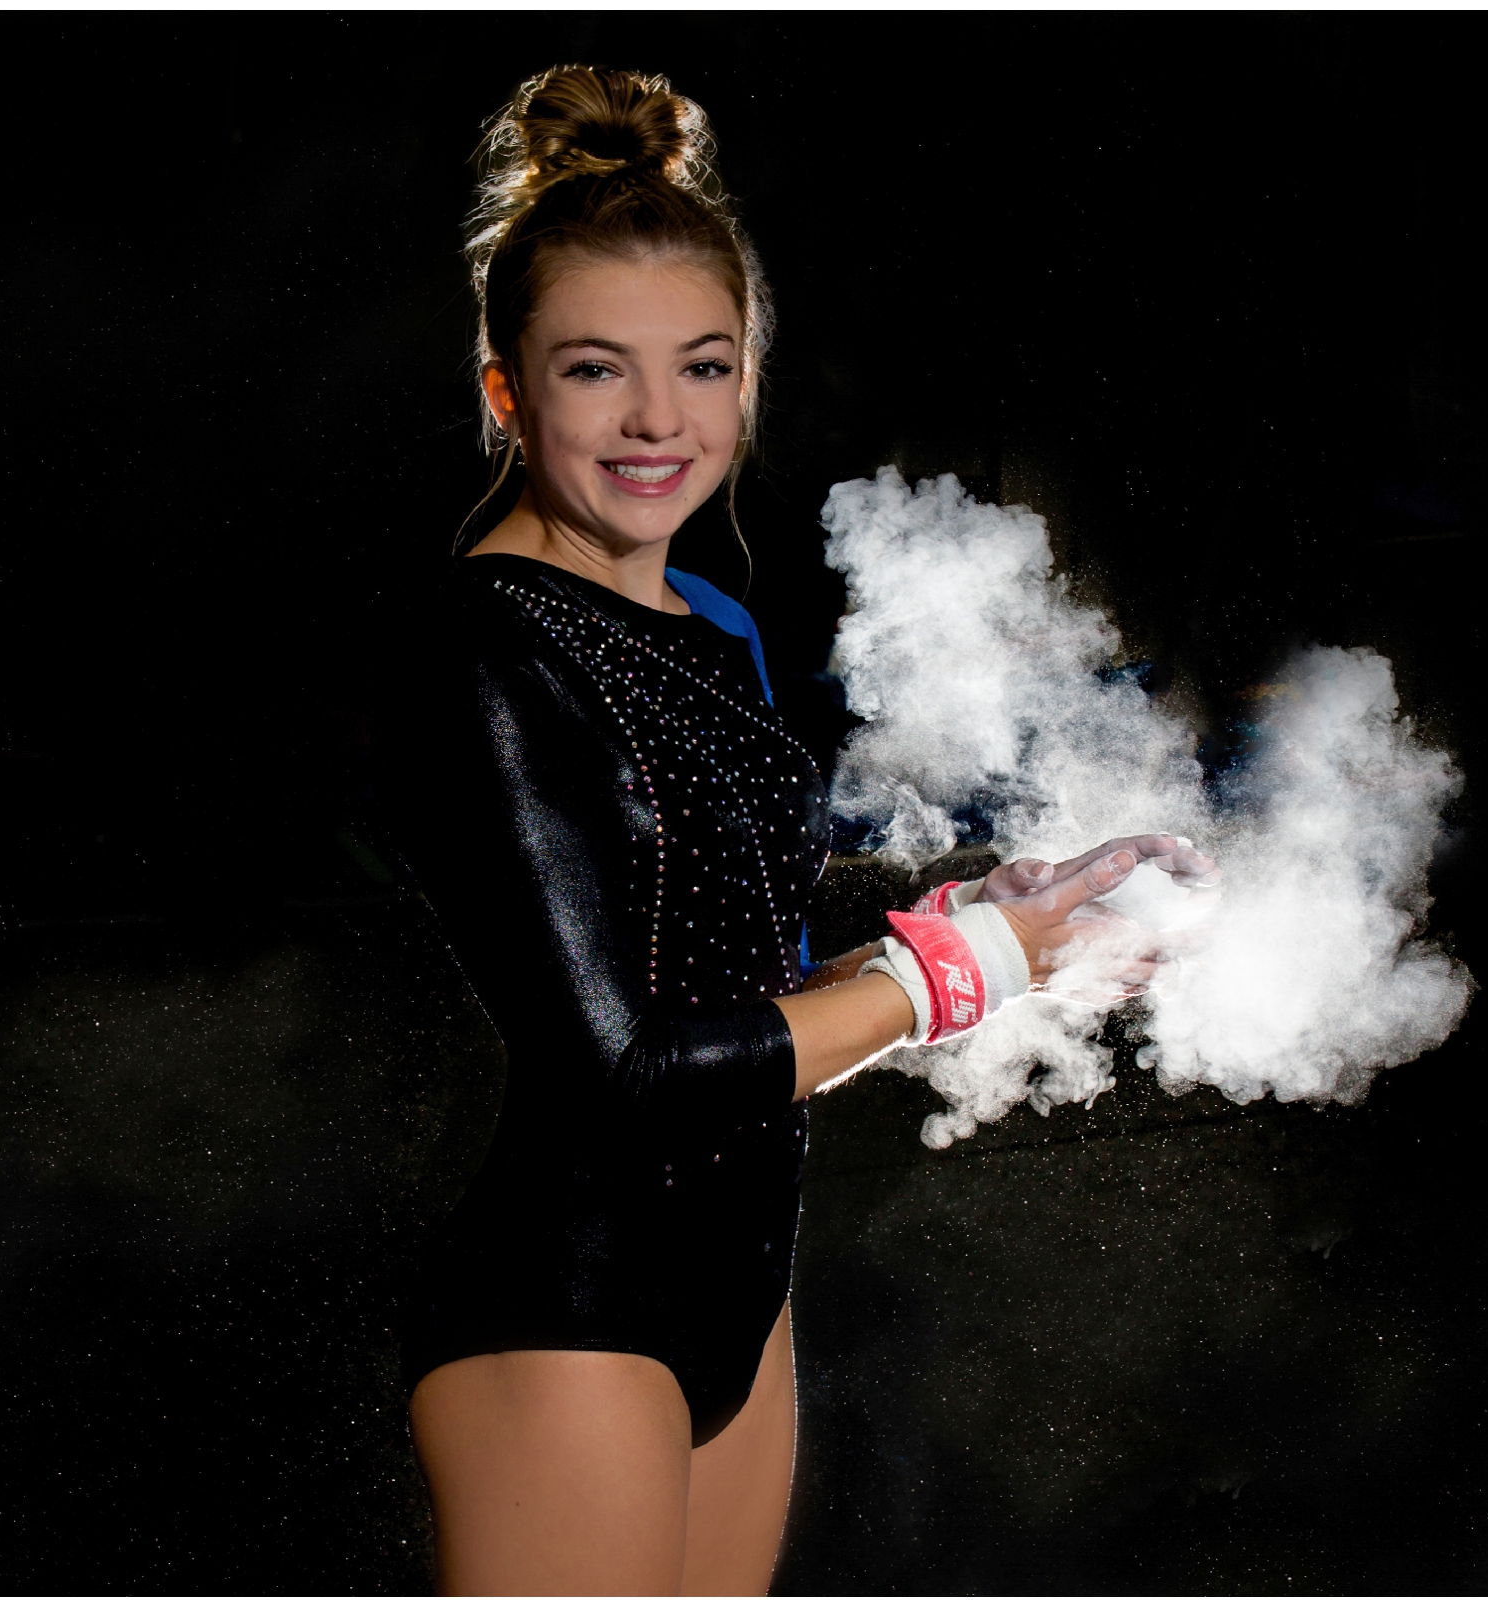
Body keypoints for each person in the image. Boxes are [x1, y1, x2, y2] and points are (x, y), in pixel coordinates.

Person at [388, 65, 1215, 1595]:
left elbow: (736, 977)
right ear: (504, 388)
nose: (657, 421)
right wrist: (962, 971)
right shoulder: (485, 658)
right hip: (571, 1311)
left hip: (740, 1301)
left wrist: (992, 920)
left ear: (749, 376)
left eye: (701, 366)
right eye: (593, 372)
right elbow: (626, 1068)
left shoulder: (708, 621)